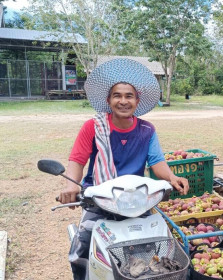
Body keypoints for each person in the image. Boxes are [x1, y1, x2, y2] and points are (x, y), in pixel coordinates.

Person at [58, 58, 189, 278]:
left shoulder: (147, 129)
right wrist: (70, 186)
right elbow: (77, 160)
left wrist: (171, 177)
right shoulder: (93, 127)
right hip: (99, 198)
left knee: (158, 245)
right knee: (82, 246)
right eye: (117, 95)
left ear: (137, 101)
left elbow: (156, 161)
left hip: (136, 199)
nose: (123, 101)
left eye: (129, 96)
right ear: (108, 100)